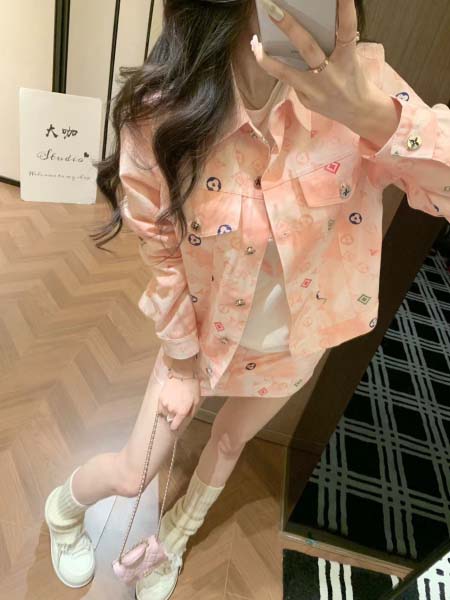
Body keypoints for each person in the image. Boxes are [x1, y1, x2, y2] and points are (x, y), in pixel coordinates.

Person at [44, 0, 450, 598]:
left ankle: (175, 539)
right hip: (199, 338)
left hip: (296, 342)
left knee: (230, 441)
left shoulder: (365, 87)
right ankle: (62, 509)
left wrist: (368, 114)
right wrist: (181, 362)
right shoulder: (167, 108)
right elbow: (160, 246)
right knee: (134, 473)